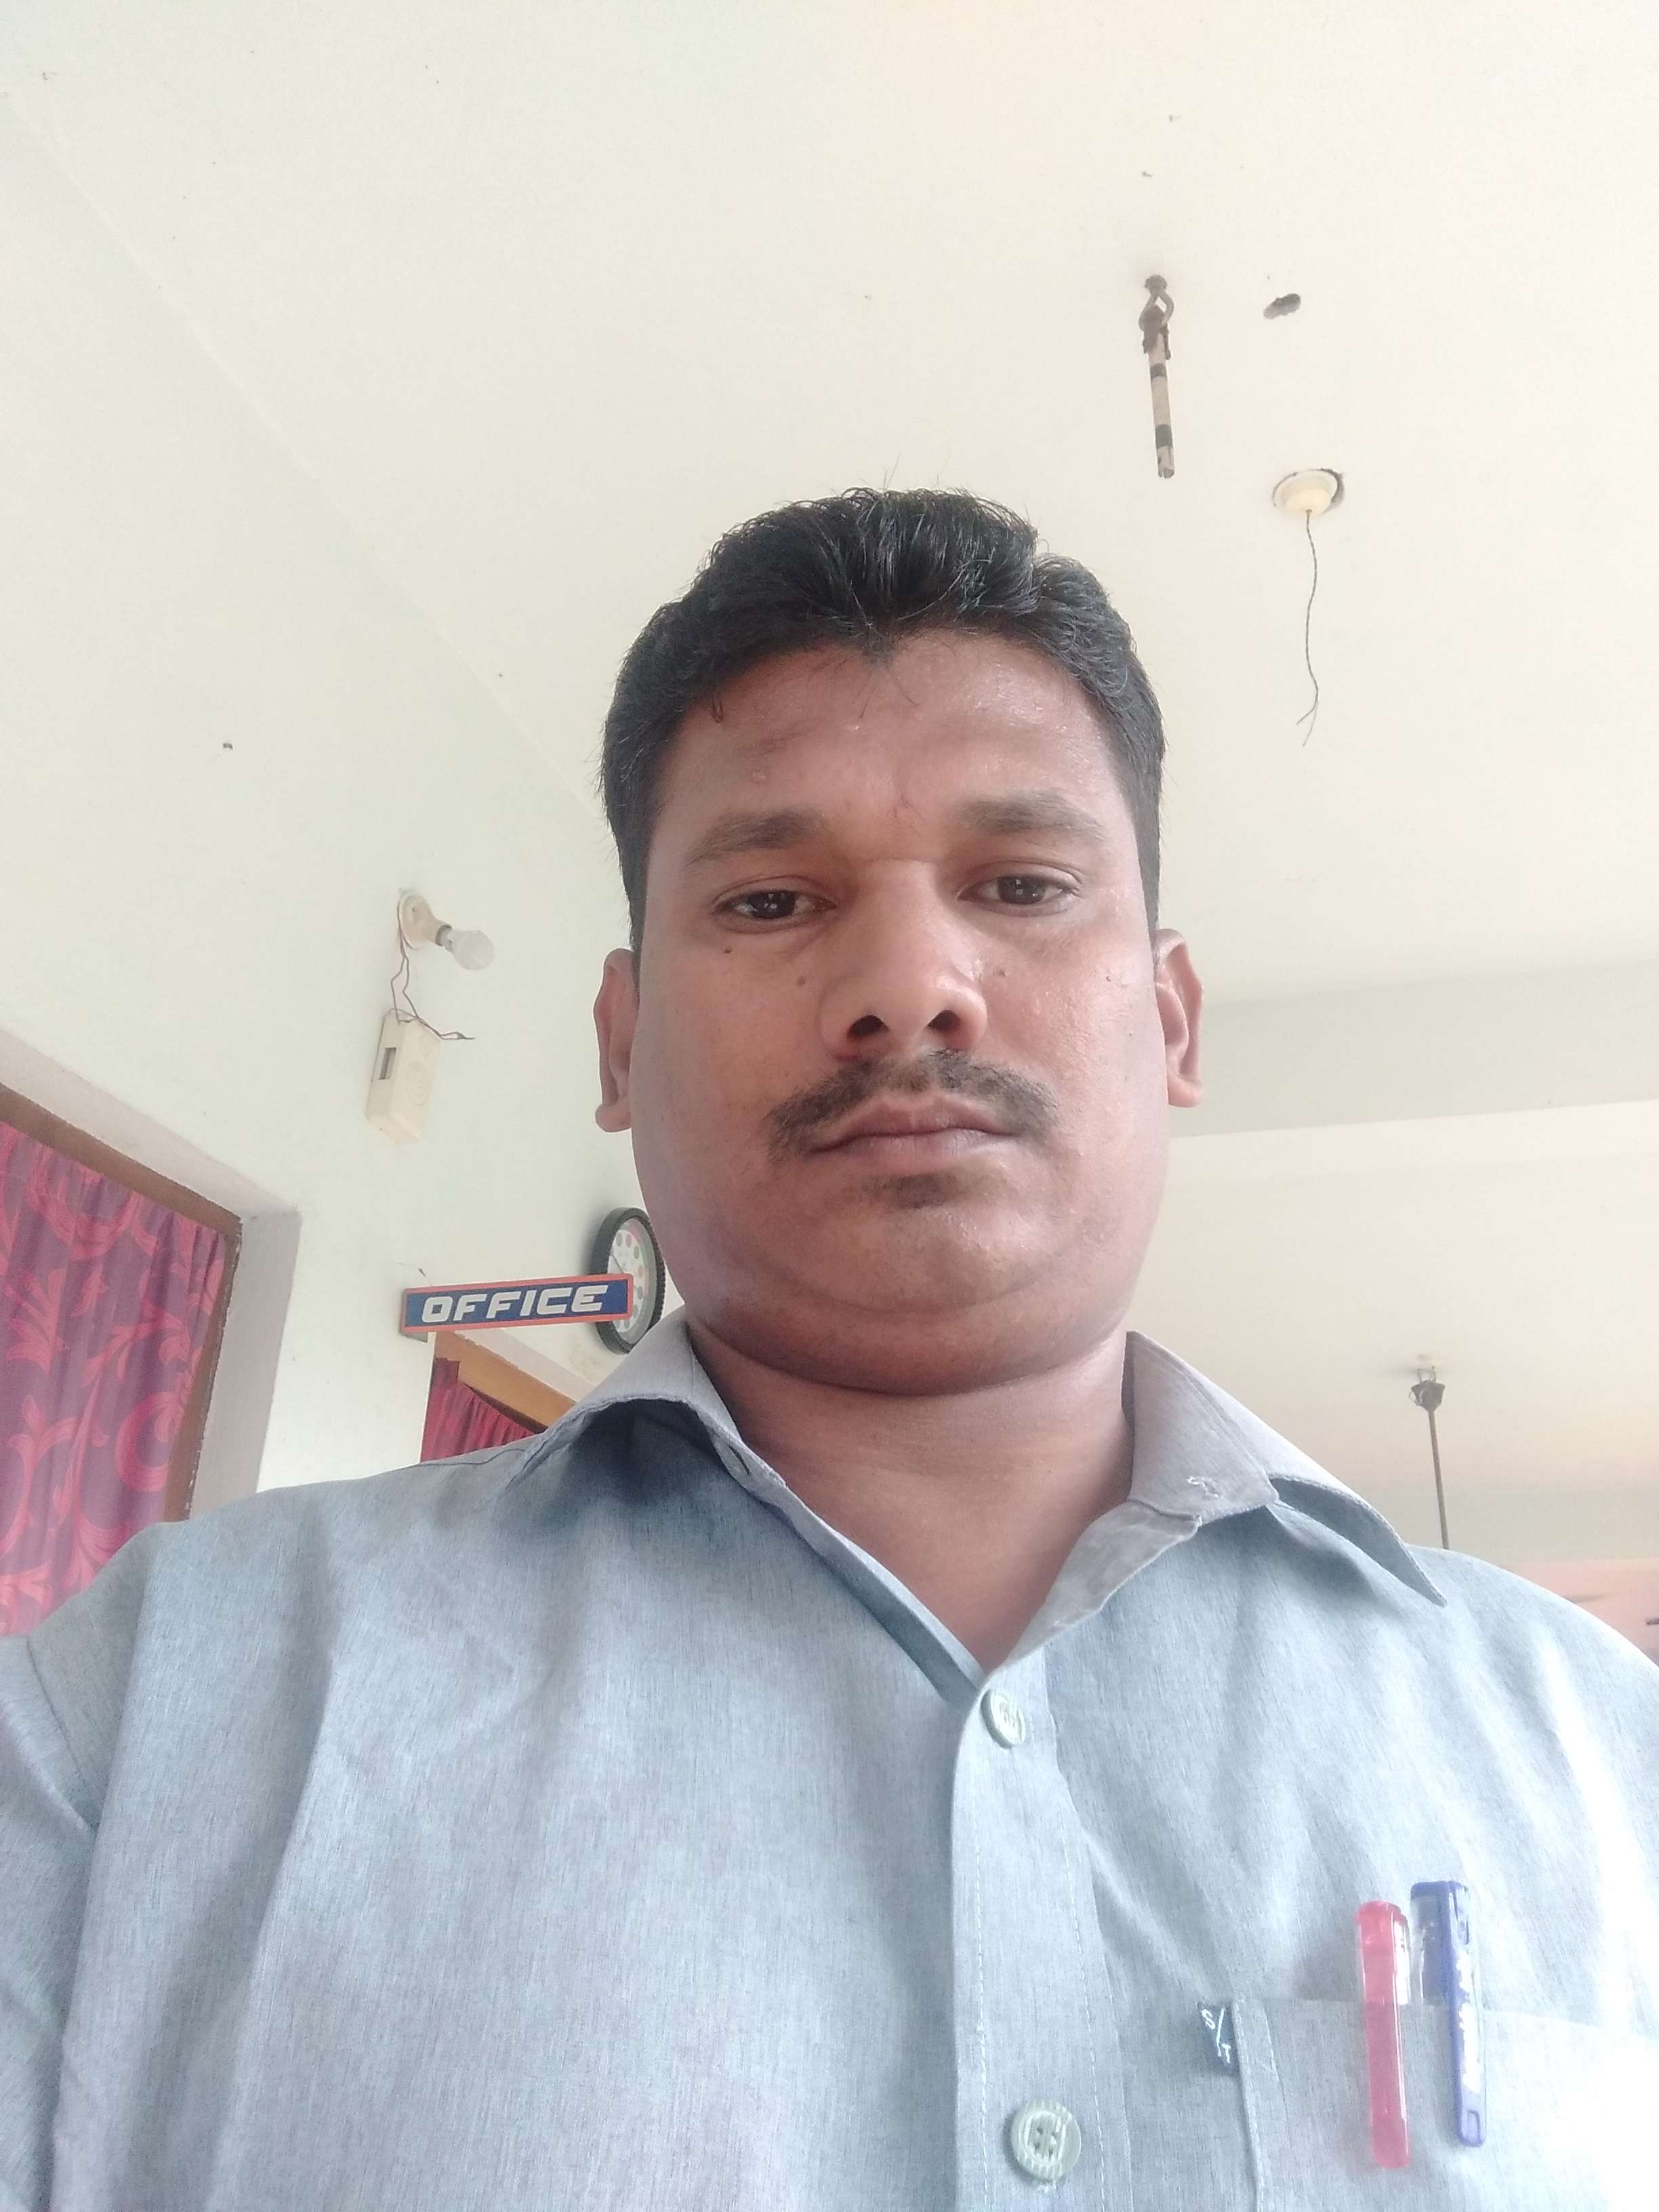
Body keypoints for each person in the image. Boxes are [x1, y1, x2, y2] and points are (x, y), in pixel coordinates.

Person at [3, 490, 1656, 2212]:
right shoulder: (154, 1710)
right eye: (776, 900)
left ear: (1170, 1020)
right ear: (620, 1044)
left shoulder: (1601, 1752)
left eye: (1022, 885)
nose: (912, 984)